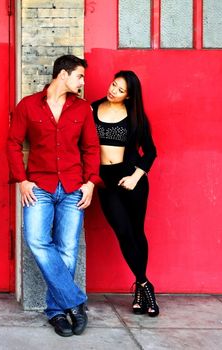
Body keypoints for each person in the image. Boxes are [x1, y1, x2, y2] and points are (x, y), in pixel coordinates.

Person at [6, 55, 100, 337]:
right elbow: (12, 144)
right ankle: (75, 302)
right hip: (40, 186)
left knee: (68, 249)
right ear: (63, 75)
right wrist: (21, 180)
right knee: (36, 239)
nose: (82, 82)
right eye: (79, 76)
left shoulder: (82, 109)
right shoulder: (28, 106)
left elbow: (91, 148)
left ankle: (57, 312)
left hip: (73, 187)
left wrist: (91, 183)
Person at [91, 71, 159, 317]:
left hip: (131, 179)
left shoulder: (135, 117)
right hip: (106, 181)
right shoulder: (92, 109)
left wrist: (135, 177)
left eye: (120, 90)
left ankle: (141, 291)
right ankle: (144, 284)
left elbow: (150, 151)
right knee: (123, 231)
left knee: (136, 232)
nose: (113, 91)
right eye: (113, 85)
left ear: (129, 96)